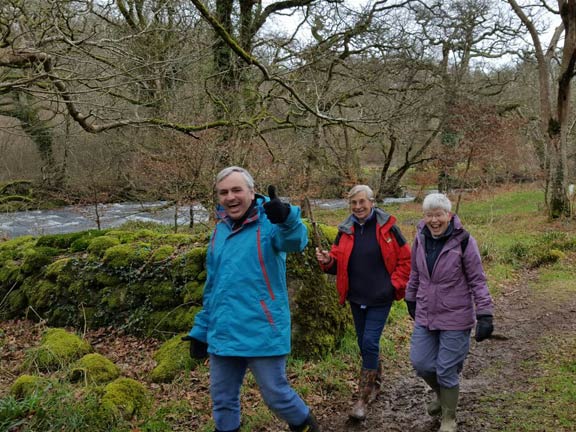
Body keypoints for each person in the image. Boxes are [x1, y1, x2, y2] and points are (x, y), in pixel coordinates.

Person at [184, 166, 320, 432]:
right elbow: (213, 287)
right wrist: (201, 330)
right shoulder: (219, 231)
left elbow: (296, 241)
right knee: (222, 400)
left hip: (263, 328)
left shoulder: (270, 224)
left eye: (236, 190)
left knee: (275, 394)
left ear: (251, 191)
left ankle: (304, 423)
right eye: (223, 192)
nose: (230, 197)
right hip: (223, 331)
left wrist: (287, 218)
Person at [315, 185, 411, 421]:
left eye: (361, 202)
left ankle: (363, 398)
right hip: (356, 297)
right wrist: (328, 260)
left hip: (380, 297)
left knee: (369, 341)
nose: (358, 207)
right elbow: (337, 263)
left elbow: (406, 260)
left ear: (372, 201)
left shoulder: (388, 228)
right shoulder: (345, 229)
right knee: (363, 342)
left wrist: (392, 285)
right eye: (353, 203)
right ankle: (376, 381)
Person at [404, 193, 494, 432]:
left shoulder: (463, 241)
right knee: (421, 363)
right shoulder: (420, 238)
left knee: (446, 369)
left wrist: (485, 313)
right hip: (426, 312)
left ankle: (448, 418)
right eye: (429, 215)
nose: (434, 220)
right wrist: (410, 296)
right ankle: (441, 394)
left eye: (439, 214)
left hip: (456, 316)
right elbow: (415, 272)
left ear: (449, 215)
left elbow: (477, 279)